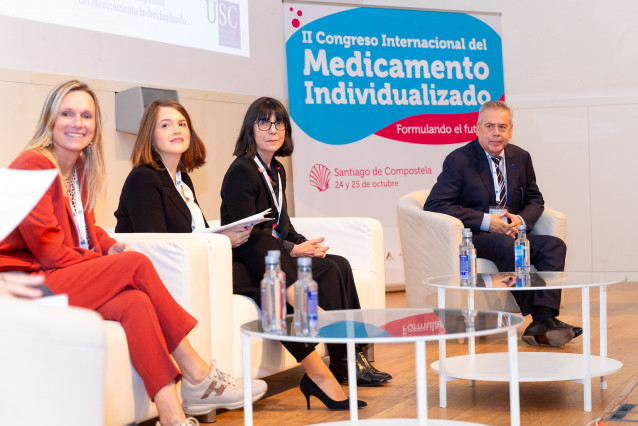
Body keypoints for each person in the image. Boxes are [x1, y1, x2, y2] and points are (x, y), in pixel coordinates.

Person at [0, 80, 266, 426]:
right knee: (135, 264)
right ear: (50, 120)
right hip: (25, 285)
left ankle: (172, 417)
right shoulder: (33, 165)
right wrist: (109, 263)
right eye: (67, 114)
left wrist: (108, 245)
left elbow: (84, 228)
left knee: (135, 303)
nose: (77, 123)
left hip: (55, 276)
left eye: (86, 115)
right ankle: (197, 371)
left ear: (96, 127)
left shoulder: (78, 167)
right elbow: (51, 251)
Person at [115, 98, 386, 411]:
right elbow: (162, 247)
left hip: (206, 267)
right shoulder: (144, 179)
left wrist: (223, 239)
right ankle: (307, 309)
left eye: (182, 124)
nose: (176, 130)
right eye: (165, 125)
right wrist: (223, 241)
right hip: (173, 276)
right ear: (150, 135)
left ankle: (319, 372)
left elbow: (197, 235)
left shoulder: (183, 181)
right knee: (262, 245)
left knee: (271, 285)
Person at [424, 100, 582, 347]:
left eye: (502, 126)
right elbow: (435, 203)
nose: (496, 133)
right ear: (477, 129)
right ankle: (540, 320)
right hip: (478, 236)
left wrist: (520, 221)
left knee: (554, 245)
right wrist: (488, 221)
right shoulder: (459, 160)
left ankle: (542, 321)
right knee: (506, 246)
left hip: (513, 232)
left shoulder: (521, 157)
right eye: (489, 126)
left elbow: (534, 199)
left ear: (510, 130)